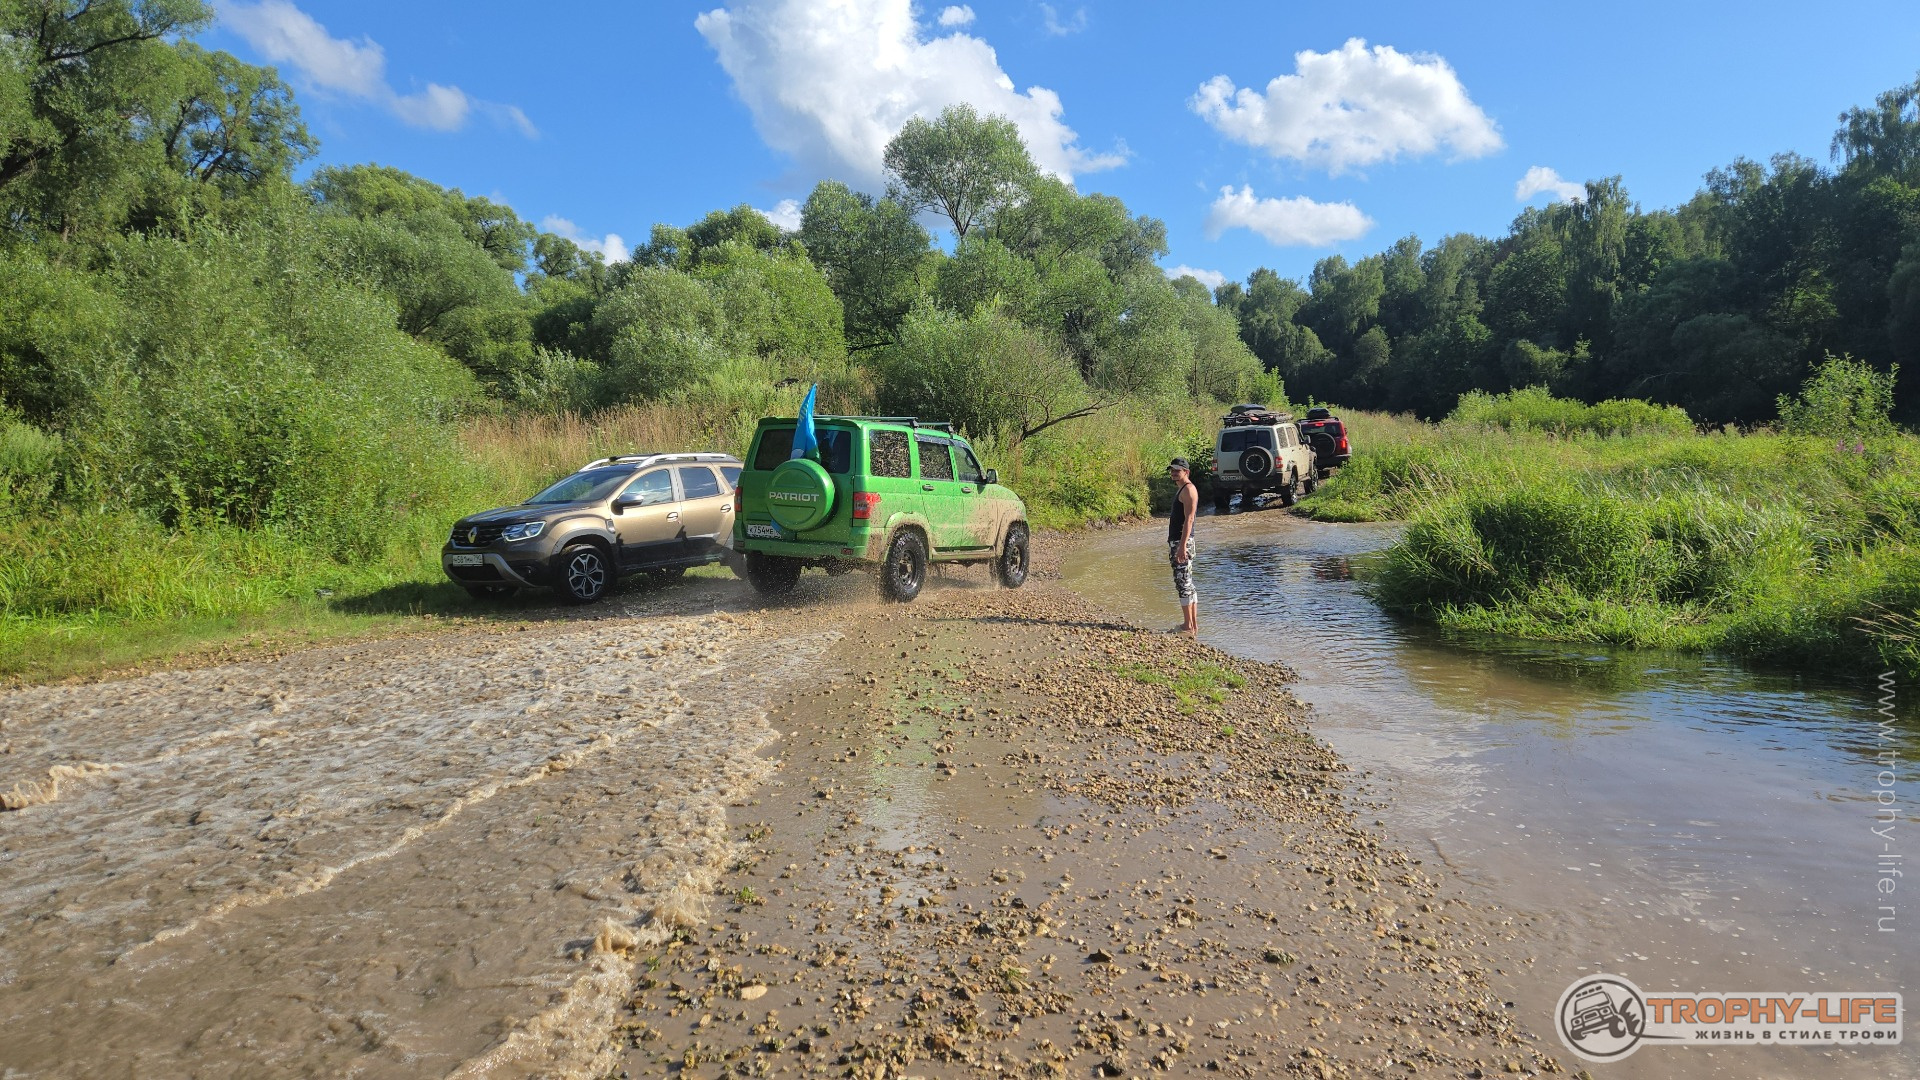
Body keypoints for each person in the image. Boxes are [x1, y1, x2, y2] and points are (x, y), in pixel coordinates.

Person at [1167, 457, 1198, 635]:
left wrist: (1182, 546)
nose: (1173, 473)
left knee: (1183, 583)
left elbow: (1189, 519)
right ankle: (1192, 625)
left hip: (1181, 541)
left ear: (1186, 472)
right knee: (1187, 583)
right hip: (1181, 541)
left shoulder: (1188, 490)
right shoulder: (1183, 489)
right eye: (1172, 470)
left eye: (1177, 470)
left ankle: (1187, 626)